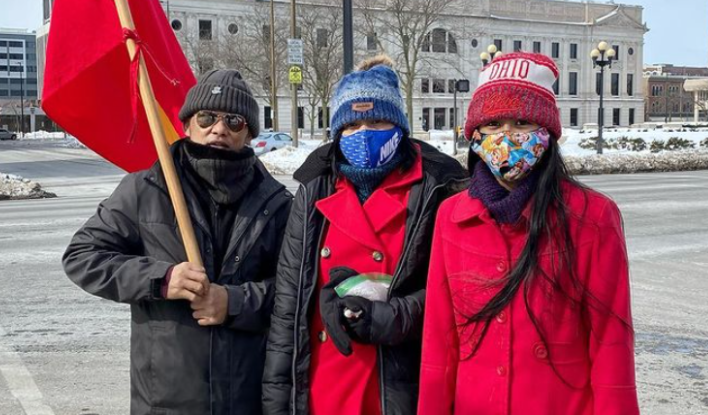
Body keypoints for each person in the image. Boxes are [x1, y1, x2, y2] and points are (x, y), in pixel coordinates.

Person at [418, 52, 640, 415]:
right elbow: (440, 344)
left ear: (548, 133)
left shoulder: (594, 218)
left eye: (521, 122)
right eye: (492, 125)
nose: (507, 136)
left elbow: (611, 345)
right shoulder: (450, 216)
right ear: (474, 136)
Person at [63, 69, 293, 415]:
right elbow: (82, 257)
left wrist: (232, 302)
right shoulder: (146, 189)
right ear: (187, 124)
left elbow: (296, 293)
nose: (219, 129)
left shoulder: (276, 203)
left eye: (234, 120)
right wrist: (160, 279)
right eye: (207, 117)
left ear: (248, 134)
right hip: (165, 401)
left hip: (245, 399)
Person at [263, 56, 468, 415]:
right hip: (323, 387)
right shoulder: (314, 190)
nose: (363, 134)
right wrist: (278, 402)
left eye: (376, 121)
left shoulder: (438, 189)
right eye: (352, 124)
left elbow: (455, 293)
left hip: (395, 386)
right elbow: (288, 307)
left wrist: (391, 317)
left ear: (399, 126)